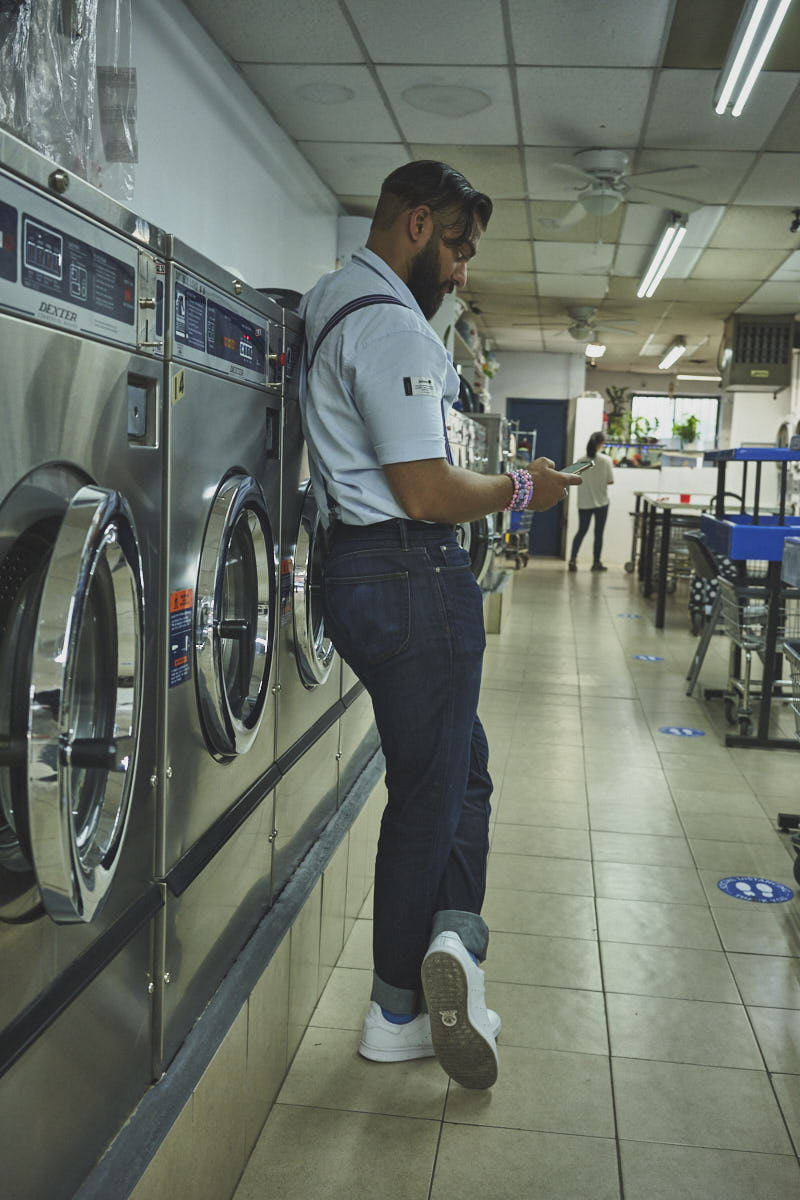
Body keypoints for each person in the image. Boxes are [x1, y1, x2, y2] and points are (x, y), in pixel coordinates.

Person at [298, 160, 582, 1090]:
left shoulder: (331, 299)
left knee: (458, 769)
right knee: (435, 792)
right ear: (418, 224)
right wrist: (532, 489)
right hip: (410, 572)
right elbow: (424, 491)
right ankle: (399, 1006)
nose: (462, 272)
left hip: (357, 571)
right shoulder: (391, 328)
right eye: (458, 248)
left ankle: (453, 951)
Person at [568, 431, 614, 572]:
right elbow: (610, 481)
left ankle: (572, 559)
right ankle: (596, 563)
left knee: (581, 531)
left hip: (584, 502)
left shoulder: (580, 461)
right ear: (600, 444)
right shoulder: (606, 461)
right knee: (598, 533)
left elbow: (571, 477)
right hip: (602, 502)